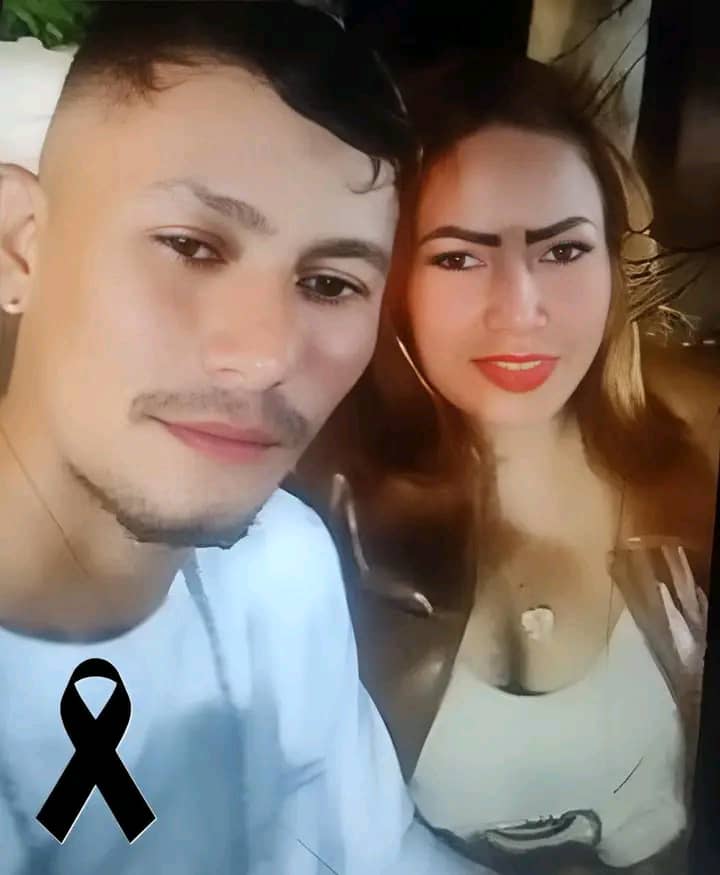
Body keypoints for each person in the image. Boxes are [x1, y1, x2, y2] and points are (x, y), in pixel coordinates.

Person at [0, 3, 486, 873]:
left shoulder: (282, 571)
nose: (265, 357)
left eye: (330, 283)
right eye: (191, 246)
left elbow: (378, 852)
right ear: (19, 250)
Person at [298, 53, 719, 875]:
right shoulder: (314, 512)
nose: (520, 308)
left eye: (563, 250)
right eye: (459, 256)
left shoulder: (698, 455)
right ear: (394, 278)